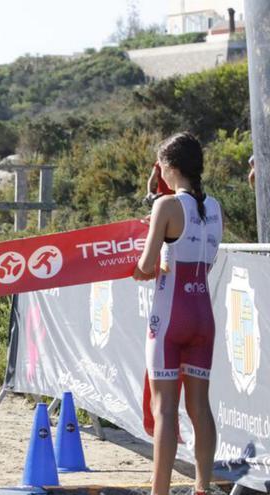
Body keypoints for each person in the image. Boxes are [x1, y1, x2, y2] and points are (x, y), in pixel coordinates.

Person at [133, 132, 222, 495]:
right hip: (203, 313)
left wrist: (143, 265)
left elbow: (144, 265)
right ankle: (202, 487)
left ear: (168, 167)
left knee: (165, 409)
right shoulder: (215, 206)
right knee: (200, 407)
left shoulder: (165, 207)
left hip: (170, 318)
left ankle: (161, 492)